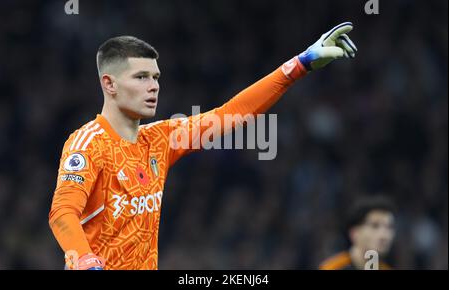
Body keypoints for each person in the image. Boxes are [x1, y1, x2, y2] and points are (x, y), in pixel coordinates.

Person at [49, 23, 357, 270]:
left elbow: (229, 115)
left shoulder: (161, 139)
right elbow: (62, 213)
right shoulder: (88, 144)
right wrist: (86, 260)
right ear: (109, 84)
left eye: (155, 77)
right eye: (141, 77)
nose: (153, 85)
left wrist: (300, 64)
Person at [319, 195, 396, 270]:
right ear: (354, 233)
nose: (384, 235)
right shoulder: (332, 268)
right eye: (374, 226)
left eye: (389, 227)